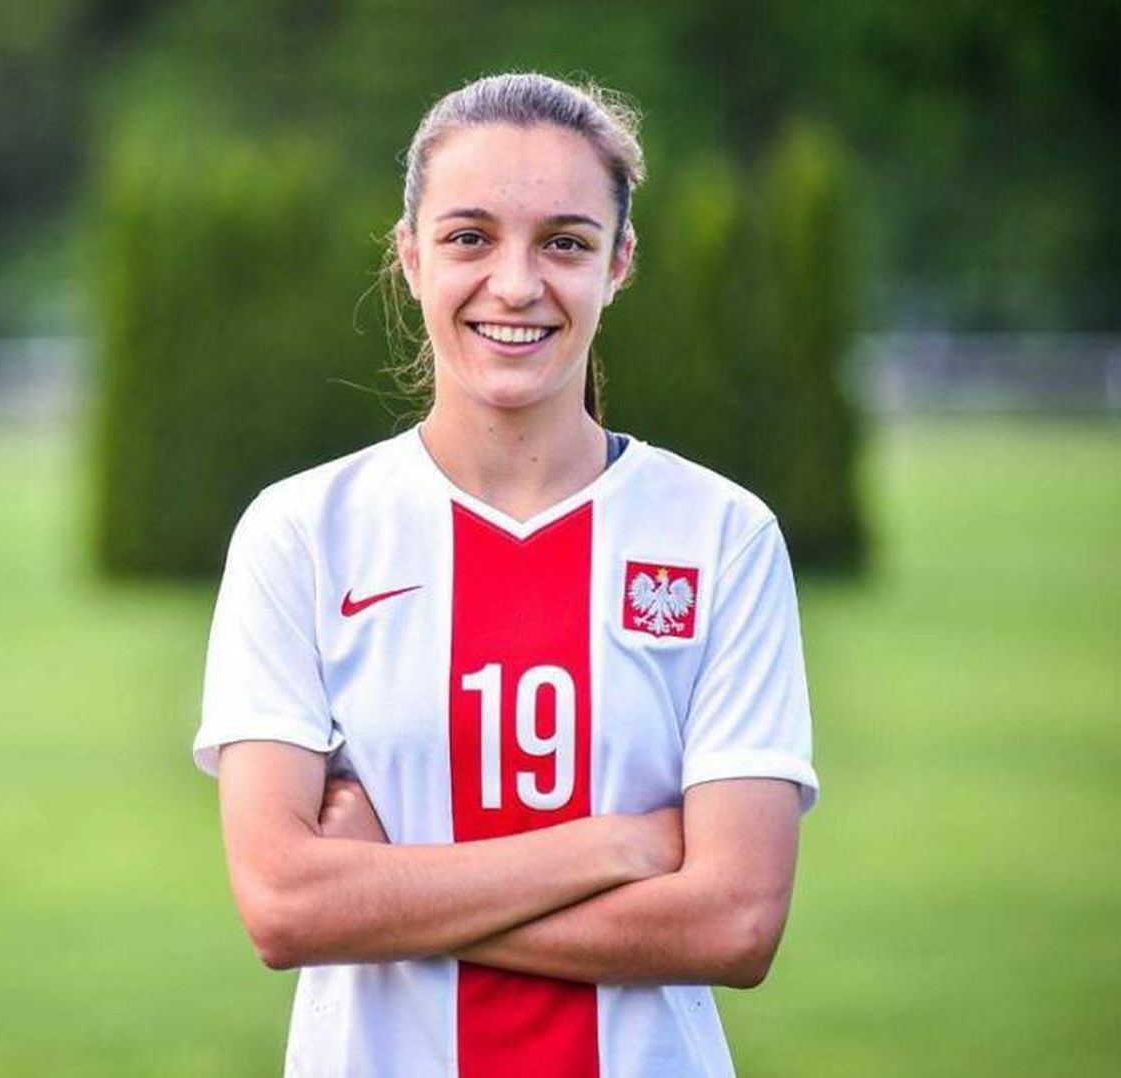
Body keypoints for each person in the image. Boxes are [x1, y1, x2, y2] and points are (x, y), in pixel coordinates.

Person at [194, 72, 817, 1078]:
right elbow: (284, 906)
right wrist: (612, 847)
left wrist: (380, 889)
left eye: (564, 241)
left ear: (619, 263)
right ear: (409, 257)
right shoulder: (302, 532)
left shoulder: (724, 537)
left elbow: (736, 920)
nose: (517, 283)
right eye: (469, 236)